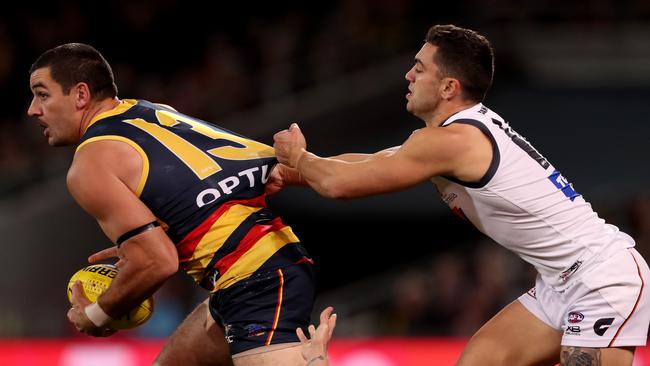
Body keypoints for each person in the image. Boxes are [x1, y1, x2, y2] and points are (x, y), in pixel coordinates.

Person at [272, 24, 650, 366]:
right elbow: (369, 162)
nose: (408, 75)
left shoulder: (454, 141)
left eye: (419, 68)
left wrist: (300, 160)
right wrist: (292, 172)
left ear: (448, 87)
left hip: (602, 279)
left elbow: (341, 184)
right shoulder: (452, 136)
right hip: (559, 282)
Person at [27, 43, 316, 366]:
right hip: (247, 277)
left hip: (256, 281)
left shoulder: (89, 164)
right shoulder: (147, 110)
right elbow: (195, 200)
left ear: (81, 95)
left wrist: (97, 314)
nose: (32, 110)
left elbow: (156, 260)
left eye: (42, 95)